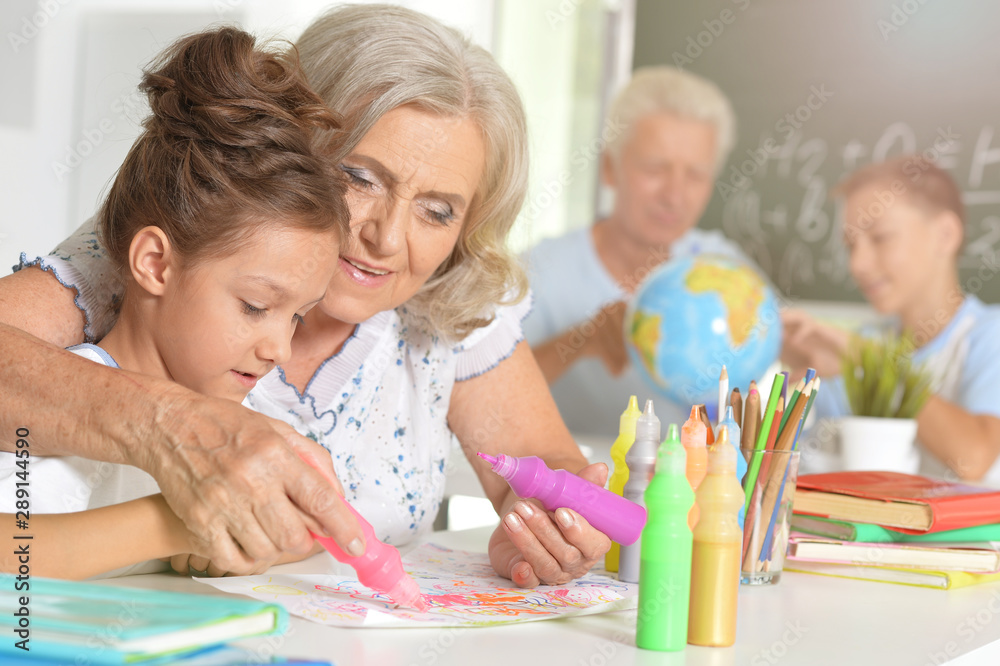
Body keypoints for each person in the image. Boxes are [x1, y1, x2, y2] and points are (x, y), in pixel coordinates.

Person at [0, 4, 609, 586]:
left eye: (437, 210)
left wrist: (546, 534)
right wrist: (173, 443)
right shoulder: (183, 242)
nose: (386, 238)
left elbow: (542, 476)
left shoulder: (451, 295)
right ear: (289, 142)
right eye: (360, 177)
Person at [0, 27, 348, 579]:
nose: (280, 348)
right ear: (155, 264)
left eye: (298, 315)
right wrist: (172, 524)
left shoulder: (240, 423)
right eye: (255, 306)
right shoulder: (43, 414)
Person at [521, 66, 745, 437]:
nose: (674, 196)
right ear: (610, 168)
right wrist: (580, 342)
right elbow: (476, 395)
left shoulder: (728, 273)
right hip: (577, 487)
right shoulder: (536, 275)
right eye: (655, 168)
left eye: (695, 175)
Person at [782, 155, 1000, 482]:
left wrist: (872, 363)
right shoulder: (861, 345)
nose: (858, 264)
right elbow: (806, 459)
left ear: (945, 234)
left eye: (880, 237)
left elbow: (973, 458)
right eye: (850, 245)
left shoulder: (987, 336)